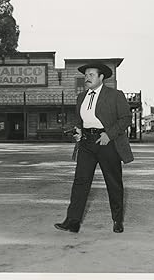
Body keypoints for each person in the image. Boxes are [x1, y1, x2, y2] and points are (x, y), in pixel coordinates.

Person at [54, 62, 134, 234]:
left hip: (107, 142)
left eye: (91, 75)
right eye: (86, 75)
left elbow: (126, 118)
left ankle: (117, 220)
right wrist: (78, 131)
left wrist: (109, 135)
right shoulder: (81, 97)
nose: (87, 78)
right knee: (80, 182)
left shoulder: (115, 95)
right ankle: (72, 221)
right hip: (86, 143)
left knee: (113, 182)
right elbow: (79, 120)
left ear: (101, 77)